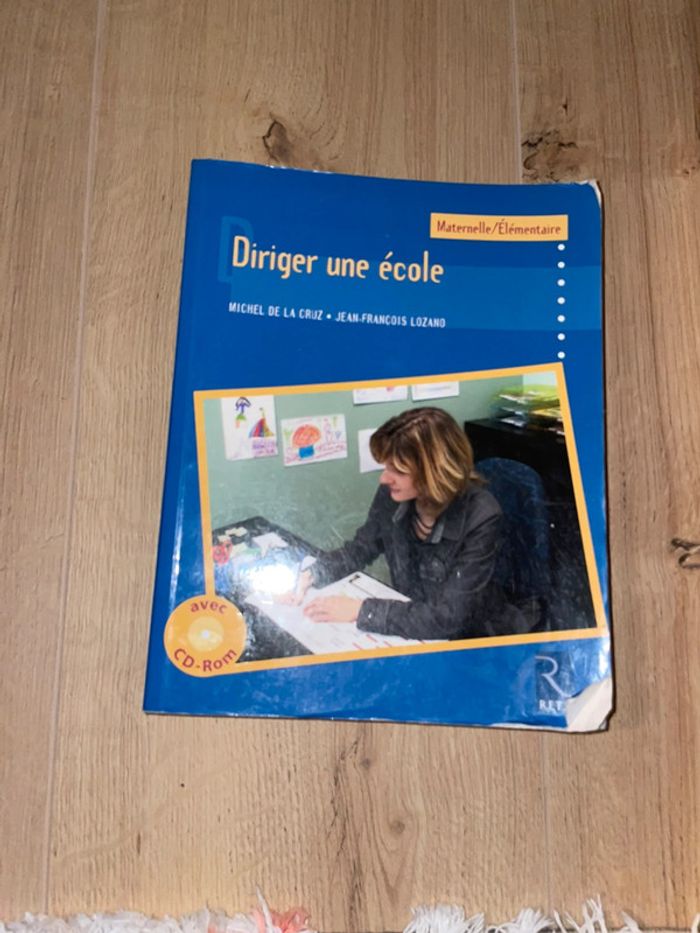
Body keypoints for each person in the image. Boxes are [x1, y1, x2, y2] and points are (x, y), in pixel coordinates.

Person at [288, 407, 527, 641]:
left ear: (435, 472)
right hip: (412, 621)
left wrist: (361, 610)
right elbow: (361, 548)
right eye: (386, 466)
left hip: (471, 638)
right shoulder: (392, 495)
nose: (384, 478)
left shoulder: (482, 515)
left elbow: (447, 617)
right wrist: (314, 574)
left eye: (398, 470)